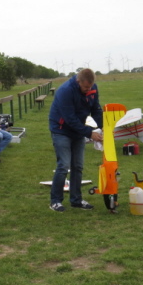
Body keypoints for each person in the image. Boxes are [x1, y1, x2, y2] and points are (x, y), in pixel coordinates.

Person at [48, 68, 103, 212]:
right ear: (78, 81)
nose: (88, 90)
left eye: (90, 87)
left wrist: (103, 127)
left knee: (77, 166)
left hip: (78, 130)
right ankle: (55, 201)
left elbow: (96, 110)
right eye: (85, 87)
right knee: (63, 165)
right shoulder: (65, 91)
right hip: (61, 129)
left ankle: (76, 200)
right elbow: (70, 119)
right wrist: (89, 133)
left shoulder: (92, 88)